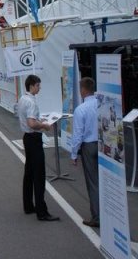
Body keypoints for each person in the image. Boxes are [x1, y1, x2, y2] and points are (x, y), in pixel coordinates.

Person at [18, 75, 59, 222]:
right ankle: (42, 212)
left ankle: (28, 205)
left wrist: (39, 121)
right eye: (38, 85)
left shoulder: (23, 98)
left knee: (29, 173)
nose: (39, 88)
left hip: (27, 137)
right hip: (34, 138)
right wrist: (44, 125)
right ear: (32, 86)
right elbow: (31, 123)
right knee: (39, 176)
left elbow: (29, 120)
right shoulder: (31, 102)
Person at [71, 77, 99, 228]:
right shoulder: (100, 104)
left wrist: (74, 154)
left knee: (93, 183)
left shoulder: (80, 109)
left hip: (88, 146)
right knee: (103, 180)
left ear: (83, 90)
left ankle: (97, 217)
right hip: (102, 145)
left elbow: (78, 135)